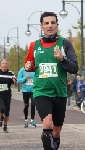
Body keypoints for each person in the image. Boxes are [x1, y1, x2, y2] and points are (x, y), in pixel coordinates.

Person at [25, 12, 78, 150]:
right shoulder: (34, 45)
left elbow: (74, 68)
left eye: (52, 23)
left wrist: (63, 59)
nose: (50, 26)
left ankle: (49, 141)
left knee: (56, 130)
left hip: (59, 92)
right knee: (47, 124)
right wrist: (28, 66)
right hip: (41, 91)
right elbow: (29, 65)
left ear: (57, 25)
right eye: (46, 23)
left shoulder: (65, 44)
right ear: (41, 26)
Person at [0, 59, 17, 133]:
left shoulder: (11, 73)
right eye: (3, 63)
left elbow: (15, 84)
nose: (4, 65)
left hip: (7, 95)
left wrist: (14, 81)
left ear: (7, 65)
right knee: (2, 108)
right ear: (1, 65)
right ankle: (1, 118)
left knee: (7, 112)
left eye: (6, 63)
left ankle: (5, 126)